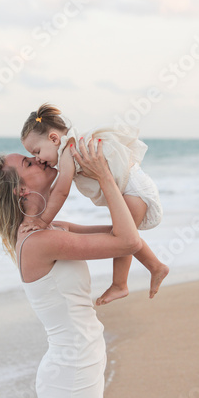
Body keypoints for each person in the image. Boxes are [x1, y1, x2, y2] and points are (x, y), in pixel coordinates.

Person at [0, 139, 142, 398]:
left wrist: (121, 174)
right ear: (21, 189)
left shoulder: (53, 229)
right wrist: (104, 176)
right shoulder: (38, 242)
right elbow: (128, 242)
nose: (40, 159)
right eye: (28, 163)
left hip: (81, 361)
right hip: (72, 370)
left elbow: (127, 230)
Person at [20, 103, 169, 304]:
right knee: (124, 234)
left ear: (54, 138)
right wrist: (41, 217)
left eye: (37, 151)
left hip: (134, 189)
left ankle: (120, 284)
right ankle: (155, 266)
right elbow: (56, 190)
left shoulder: (67, 151)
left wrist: (42, 221)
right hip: (134, 187)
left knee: (123, 238)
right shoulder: (71, 145)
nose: (38, 159)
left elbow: (62, 191)